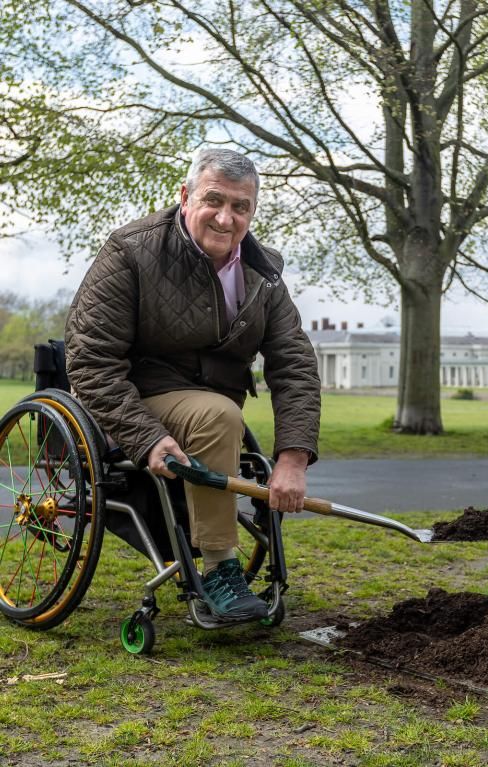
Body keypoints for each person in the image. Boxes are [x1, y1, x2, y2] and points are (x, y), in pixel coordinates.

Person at [65, 148, 321, 621]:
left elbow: (295, 364)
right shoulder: (131, 249)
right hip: (133, 395)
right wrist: (144, 436)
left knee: (218, 416)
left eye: (240, 207)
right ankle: (222, 568)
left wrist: (293, 458)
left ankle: (229, 566)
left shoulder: (264, 273)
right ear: (185, 197)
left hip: (212, 407)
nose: (226, 218)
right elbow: (90, 359)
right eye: (214, 200)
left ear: (252, 211)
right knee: (218, 416)